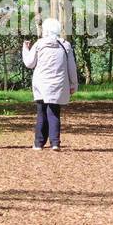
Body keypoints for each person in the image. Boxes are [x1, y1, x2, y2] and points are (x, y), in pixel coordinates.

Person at [21, 17, 78, 151]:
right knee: (54, 112)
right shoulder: (65, 45)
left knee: (41, 112)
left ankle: (38, 143)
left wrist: (25, 49)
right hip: (58, 83)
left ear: (45, 30)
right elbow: (71, 67)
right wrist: (73, 84)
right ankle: (55, 143)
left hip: (41, 83)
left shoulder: (39, 44)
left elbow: (29, 63)